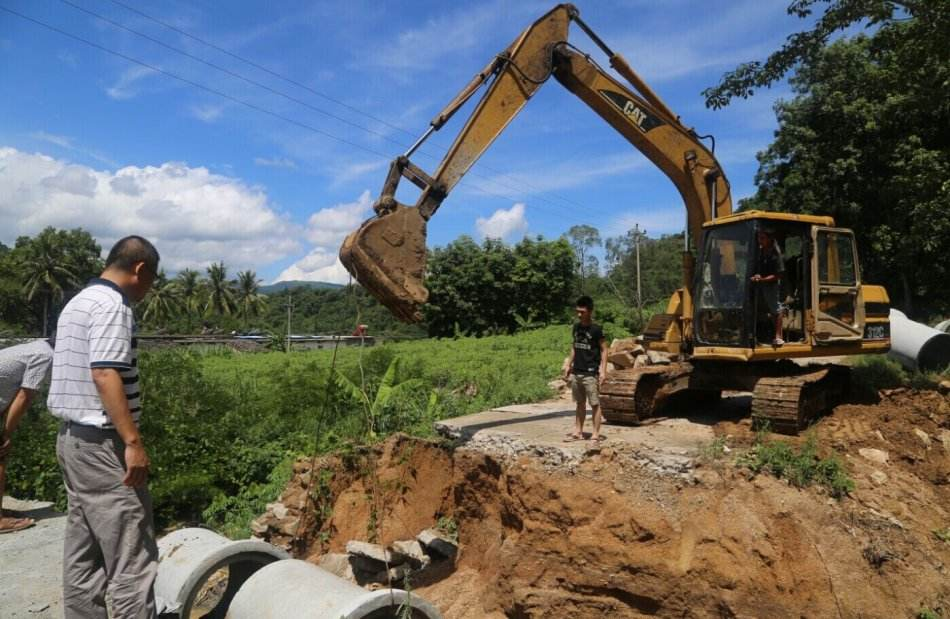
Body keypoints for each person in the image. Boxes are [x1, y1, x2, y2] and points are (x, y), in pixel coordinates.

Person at [48, 236, 159, 618]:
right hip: (102, 445)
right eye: (151, 281)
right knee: (132, 557)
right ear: (140, 270)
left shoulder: (78, 302)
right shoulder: (114, 305)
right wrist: (132, 441)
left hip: (72, 441)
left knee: (85, 551)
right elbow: (105, 371)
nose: (148, 291)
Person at [0, 339, 53, 533]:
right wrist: (6, 433)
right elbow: (25, 396)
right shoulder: (45, 356)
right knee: (0, 456)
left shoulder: (39, 346)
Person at [562, 295, 608, 442]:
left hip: (590, 373)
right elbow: (574, 346)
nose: (579, 314)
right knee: (579, 403)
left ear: (590, 311)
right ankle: (578, 432)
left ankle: (595, 434)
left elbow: (604, 350)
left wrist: (603, 370)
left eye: (582, 312)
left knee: (594, 404)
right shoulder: (576, 327)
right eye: (578, 311)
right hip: (577, 372)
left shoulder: (596, 329)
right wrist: (569, 364)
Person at [751, 228, 785, 347]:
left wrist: (763, 279)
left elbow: (778, 275)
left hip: (772, 284)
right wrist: (758, 275)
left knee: (776, 309)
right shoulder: (761, 252)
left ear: (769, 238)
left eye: (762, 238)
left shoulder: (776, 254)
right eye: (758, 238)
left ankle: (779, 336)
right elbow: (762, 269)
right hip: (763, 283)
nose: (760, 241)